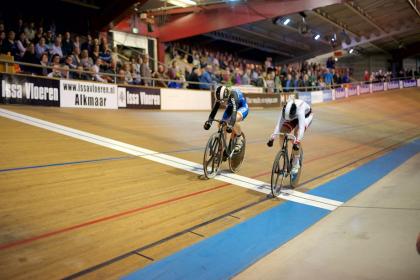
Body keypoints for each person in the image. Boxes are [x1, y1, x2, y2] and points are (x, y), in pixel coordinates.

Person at [267, 97, 313, 178]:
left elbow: (302, 128)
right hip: (292, 117)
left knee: (297, 132)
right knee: (282, 133)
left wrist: (297, 141)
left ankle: (296, 163)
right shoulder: (285, 109)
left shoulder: (300, 109)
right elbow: (279, 125)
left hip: (306, 117)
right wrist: (272, 138)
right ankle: (284, 154)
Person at [204, 85, 249, 152]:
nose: (222, 103)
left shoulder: (233, 95)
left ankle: (239, 139)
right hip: (230, 107)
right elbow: (214, 111)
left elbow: (234, 113)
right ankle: (222, 147)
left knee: (233, 120)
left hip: (241, 107)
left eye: (224, 101)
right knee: (221, 124)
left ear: (227, 95)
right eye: (220, 101)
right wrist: (209, 122)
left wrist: (230, 125)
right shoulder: (220, 96)